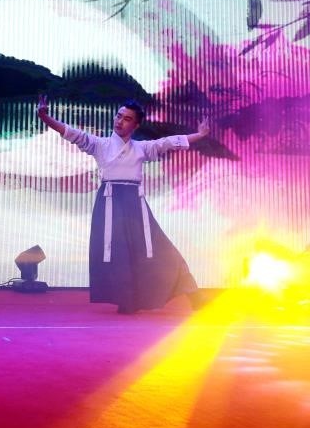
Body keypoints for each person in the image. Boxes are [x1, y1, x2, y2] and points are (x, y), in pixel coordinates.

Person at [37, 95, 209, 313]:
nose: (120, 121)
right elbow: (72, 133)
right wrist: (45, 117)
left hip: (136, 206)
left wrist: (200, 135)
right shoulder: (101, 145)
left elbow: (167, 142)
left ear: (135, 125)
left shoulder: (141, 148)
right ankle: (127, 300)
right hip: (110, 205)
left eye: (127, 119)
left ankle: (193, 294)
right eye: (119, 116)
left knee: (161, 249)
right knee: (118, 254)